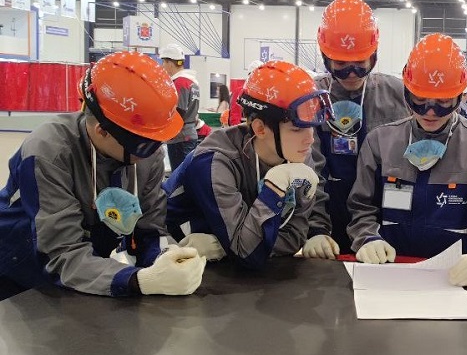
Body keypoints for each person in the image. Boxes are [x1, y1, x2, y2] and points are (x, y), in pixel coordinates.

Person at [0, 51, 206, 300]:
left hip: (82, 276)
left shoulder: (146, 157)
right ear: (102, 131)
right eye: (144, 144)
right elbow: (61, 253)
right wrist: (137, 280)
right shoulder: (48, 153)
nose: (155, 152)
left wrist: (167, 257)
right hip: (19, 273)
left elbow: (150, 229)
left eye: (158, 140)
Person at [347, 33, 467, 288]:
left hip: (455, 280)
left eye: (443, 102)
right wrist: (367, 238)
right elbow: (361, 207)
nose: (430, 112)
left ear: (460, 96)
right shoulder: (379, 142)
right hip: (389, 276)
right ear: (406, 92)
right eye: (420, 100)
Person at [163, 61, 336, 270]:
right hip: (172, 263)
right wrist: (275, 188)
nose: (310, 139)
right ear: (260, 129)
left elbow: (293, 237)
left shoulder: (297, 154)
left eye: (312, 127)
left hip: (227, 265)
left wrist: (233, 246)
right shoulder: (213, 162)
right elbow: (247, 253)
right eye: (297, 129)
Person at [306, 0, 408, 257]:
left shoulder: (398, 95)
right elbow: (309, 169)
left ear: (373, 56)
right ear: (325, 57)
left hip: (385, 222)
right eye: (341, 64)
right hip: (327, 219)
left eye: (360, 63)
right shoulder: (311, 97)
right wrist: (316, 229)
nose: (351, 74)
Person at [159, 43, 201, 169]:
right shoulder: (192, 82)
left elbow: (178, 112)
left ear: (170, 63)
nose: (163, 66)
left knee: (179, 176)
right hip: (189, 134)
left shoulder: (180, 82)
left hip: (180, 138)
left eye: (164, 62)